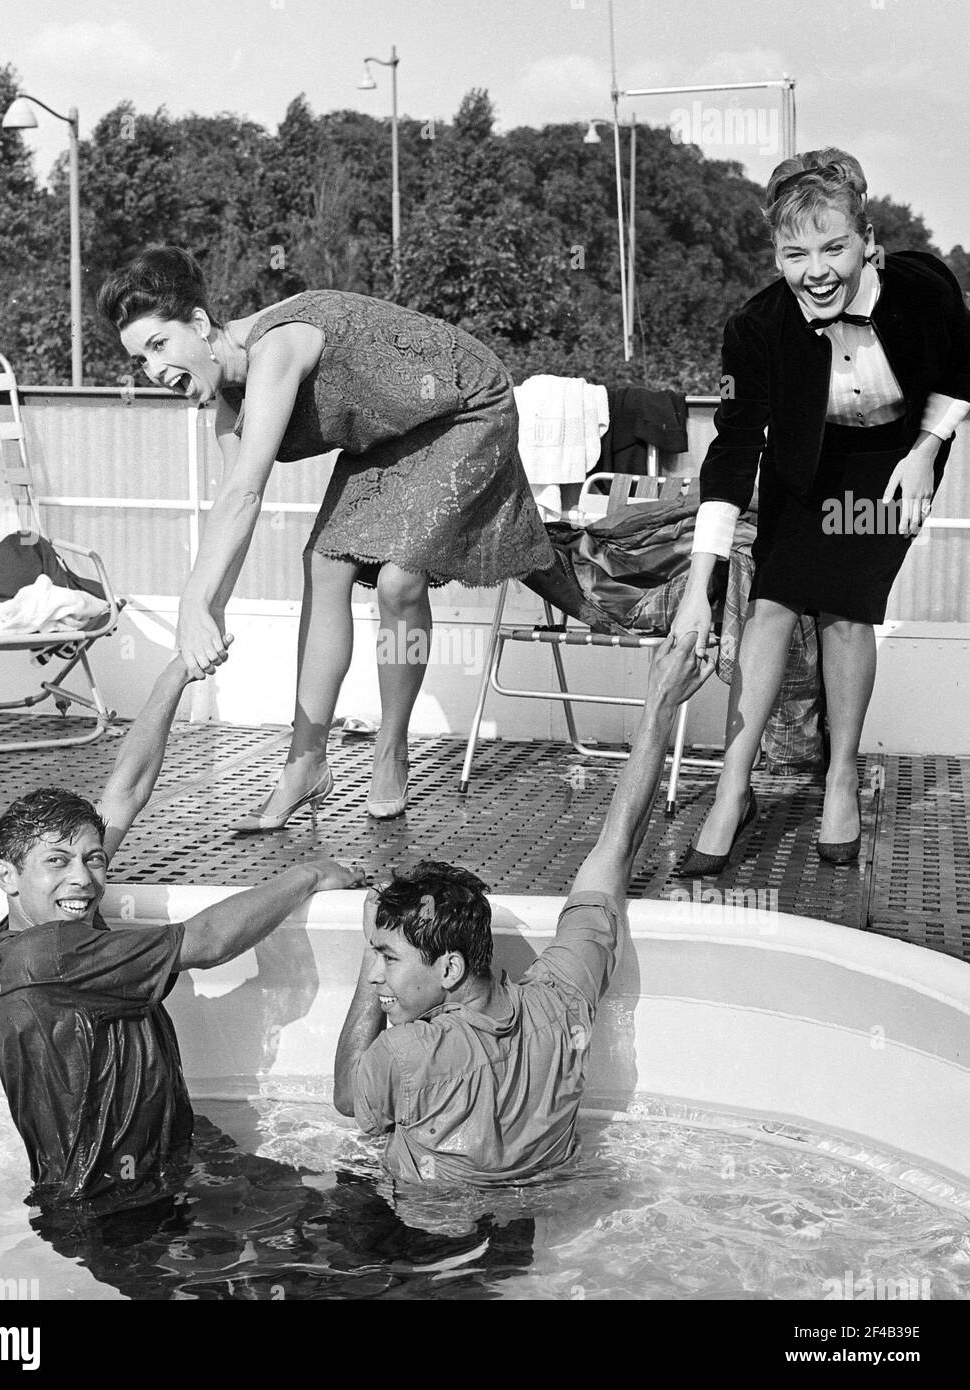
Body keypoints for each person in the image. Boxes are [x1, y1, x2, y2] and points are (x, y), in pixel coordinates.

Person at [96, 249, 555, 828]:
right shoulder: (227, 411)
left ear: (199, 324)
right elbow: (233, 514)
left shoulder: (277, 346)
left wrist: (193, 605)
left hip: (465, 408)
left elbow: (247, 493)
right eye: (139, 361)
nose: (154, 371)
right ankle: (305, 763)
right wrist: (205, 613)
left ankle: (391, 748)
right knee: (325, 563)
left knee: (399, 579)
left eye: (158, 346)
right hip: (390, 433)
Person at [0, 652, 363, 1215]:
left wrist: (177, 673)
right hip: (119, 1206)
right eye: (58, 861)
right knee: (351, 1233)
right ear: (7, 878)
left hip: (165, 1161)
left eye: (93, 858)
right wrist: (307, 874)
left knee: (343, 1218)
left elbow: (125, 791)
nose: (83, 878)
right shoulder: (53, 952)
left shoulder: (49, 919)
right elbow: (206, 943)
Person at [671, 148, 970, 873]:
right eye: (794, 253)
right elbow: (734, 451)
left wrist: (926, 450)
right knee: (770, 603)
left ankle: (839, 779)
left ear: (867, 240)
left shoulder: (922, 286)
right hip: (807, 467)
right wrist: (695, 585)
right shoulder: (757, 327)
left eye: (834, 247)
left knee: (844, 608)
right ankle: (731, 789)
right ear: (775, 254)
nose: (817, 270)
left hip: (894, 464)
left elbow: (964, 369)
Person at [332, 630, 714, 1185]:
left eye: (390, 959)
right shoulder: (561, 1002)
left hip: (420, 1240)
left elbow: (347, 1095)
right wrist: (659, 702)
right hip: (526, 1230)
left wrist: (369, 962)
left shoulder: (408, 1052)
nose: (384, 978)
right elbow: (617, 847)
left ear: (450, 968)